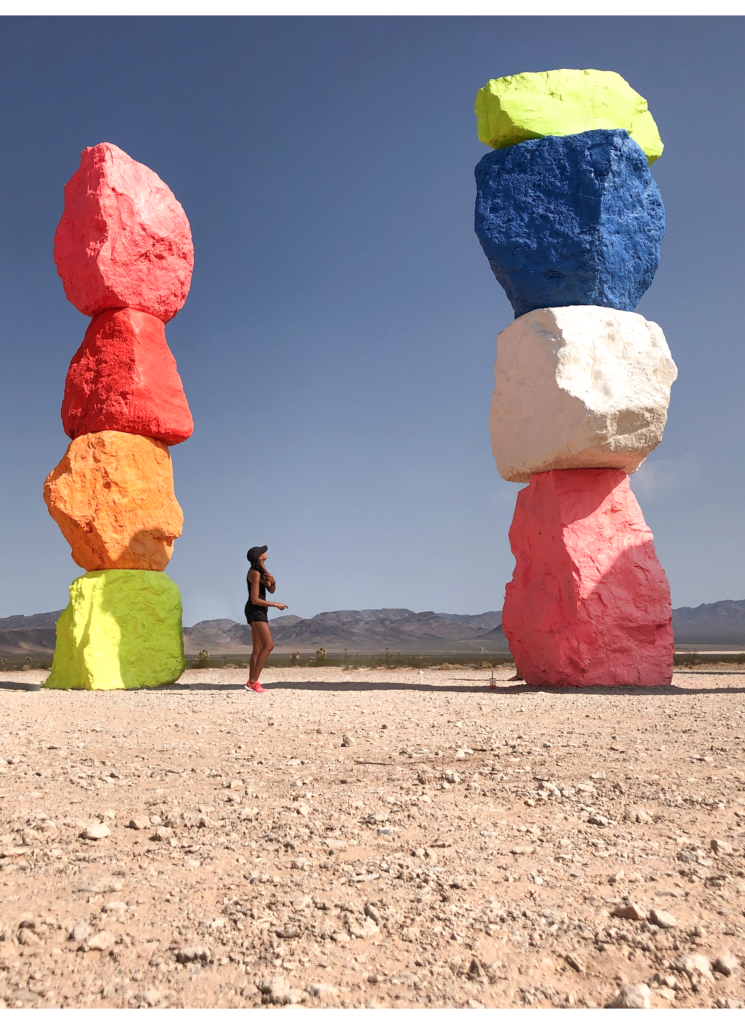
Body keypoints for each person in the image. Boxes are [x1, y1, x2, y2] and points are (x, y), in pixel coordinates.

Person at [244, 545, 287, 694]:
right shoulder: (255, 573)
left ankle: (251, 683)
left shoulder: (262, 570)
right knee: (269, 645)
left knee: (257, 648)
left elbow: (271, 590)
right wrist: (276, 605)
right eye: (262, 552)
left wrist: (272, 581)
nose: (265, 552)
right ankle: (253, 682)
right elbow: (255, 599)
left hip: (259, 610)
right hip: (255, 610)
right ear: (259, 557)